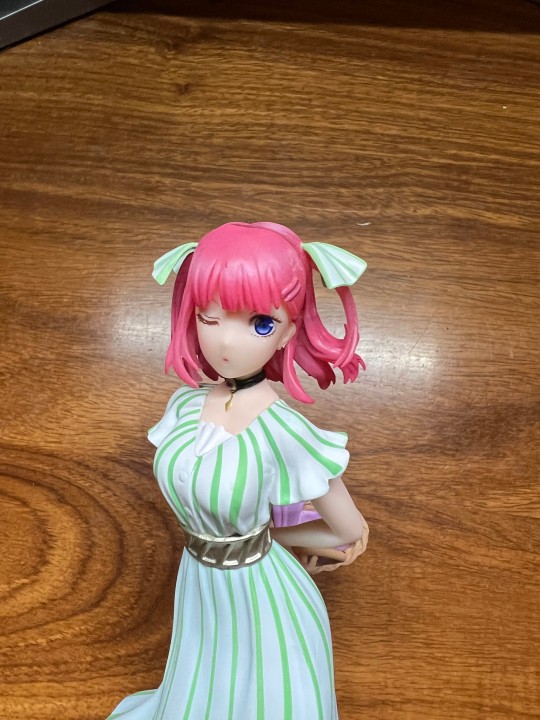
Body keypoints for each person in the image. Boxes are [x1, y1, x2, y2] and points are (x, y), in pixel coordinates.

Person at [106, 221, 368, 720]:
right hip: (199, 585)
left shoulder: (284, 431)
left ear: (288, 330)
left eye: (260, 323)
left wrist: (270, 540)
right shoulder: (183, 407)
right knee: (202, 687)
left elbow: (348, 530)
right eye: (209, 317)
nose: (226, 340)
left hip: (263, 597)